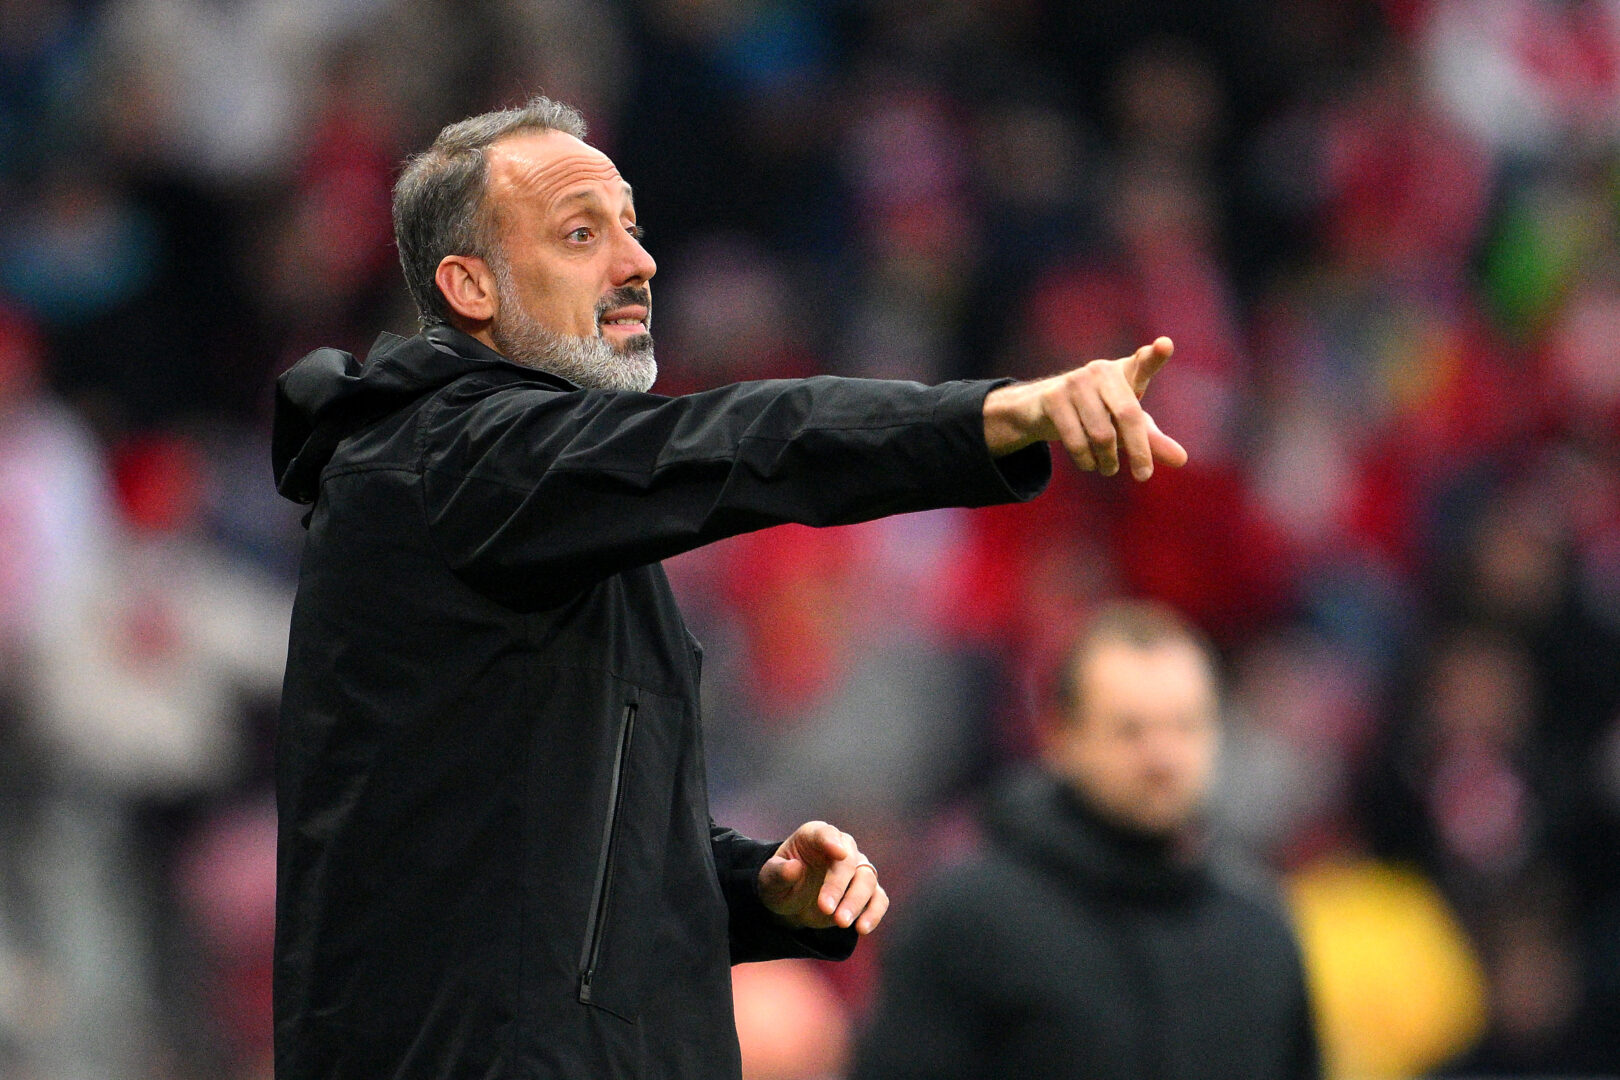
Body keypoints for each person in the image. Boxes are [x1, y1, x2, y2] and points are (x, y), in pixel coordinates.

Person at [270, 94, 1187, 1080]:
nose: (637, 262)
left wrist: (756, 889)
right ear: (470, 285)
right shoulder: (449, 460)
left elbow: (547, 868)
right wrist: (997, 415)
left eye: (631, 228)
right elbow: (747, 441)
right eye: (581, 234)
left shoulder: (539, 508)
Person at [851, 601, 1320, 1080]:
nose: (1163, 757)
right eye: (1130, 731)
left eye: (1186, 725)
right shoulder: (968, 920)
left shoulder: (1258, 928)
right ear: (1062, 736)